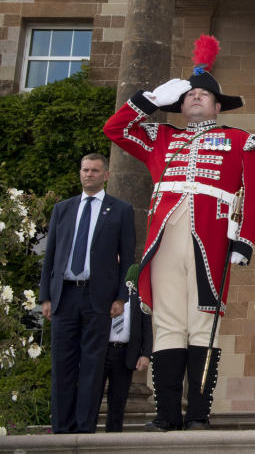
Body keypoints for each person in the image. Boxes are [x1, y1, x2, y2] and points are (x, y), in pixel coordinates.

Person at [103, 35, 255, 431]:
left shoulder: (239, 140)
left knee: (202, 324)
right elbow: (115, 128)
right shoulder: (161, 137)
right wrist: (148, 101)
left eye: (203, 95)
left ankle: (198, 413)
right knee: (168, 324)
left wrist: (243, 242)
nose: (195, 98)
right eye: (189, 94)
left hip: (210, 240)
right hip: (165, 239)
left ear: (216, 104)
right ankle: (165, 414)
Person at [39, 153, 135, 434]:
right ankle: (62, 427)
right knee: (62, 364)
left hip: (99, 298)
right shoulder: (63, 209)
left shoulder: (120, 210)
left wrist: (121, 297)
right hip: (64, 296)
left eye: (94, 170)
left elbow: (128, 259)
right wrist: (46, 295)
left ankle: (84, 428)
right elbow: (51, 256)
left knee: (92, 366)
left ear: (106, 174)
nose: (88, 174)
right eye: (84, 170)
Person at [99, 288, 152, 432]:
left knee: (118, 401)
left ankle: (113, 437)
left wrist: (146, 354)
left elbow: (147, 327)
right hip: (101, 351)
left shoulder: (139, 295)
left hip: (125, 353)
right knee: (93, 397)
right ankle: (87, 434)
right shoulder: (103, 289)